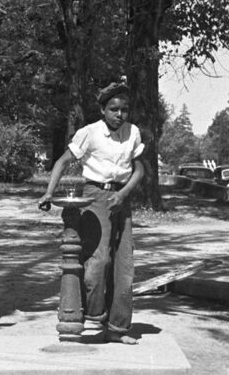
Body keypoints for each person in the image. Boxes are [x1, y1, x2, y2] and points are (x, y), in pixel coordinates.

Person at [38, 81, 145, 345]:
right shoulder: (90, 133)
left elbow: (140, 170)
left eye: (124, 110)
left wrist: (123, 194)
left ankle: (117, 329)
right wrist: (49, 193)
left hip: (122, 197)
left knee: (123, 266)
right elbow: (63, 161)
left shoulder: (133, 133)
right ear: (103, 110)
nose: (119, 115)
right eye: (113, 109)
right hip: (95, 196)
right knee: (97, 264)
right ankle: (94, 314)